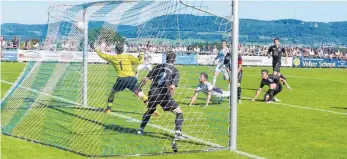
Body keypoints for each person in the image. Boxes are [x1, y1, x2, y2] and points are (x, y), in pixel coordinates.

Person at [91, 42, 159, 116]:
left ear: (116, 50)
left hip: (122, 80)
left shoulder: (113, 58)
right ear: (123, 50)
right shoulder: (128, 56)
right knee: (140, 94)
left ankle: (108, 109)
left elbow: (102, 55)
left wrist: (95, 49)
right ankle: (152, 109)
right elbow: (139, 61)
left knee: (112, 93)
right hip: (132, 79)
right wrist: (142, 54)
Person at [136, 51, 185, 140]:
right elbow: (172, 87)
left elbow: (145, 79)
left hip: (153, 93)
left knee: (150, 111)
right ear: (174, 59)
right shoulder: (175, 70)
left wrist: (138, 88)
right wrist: (170, 96)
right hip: (163, 95)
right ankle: (177, 133)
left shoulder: (158, 66)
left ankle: (140, 129)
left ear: (166, 58)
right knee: (179, 112)